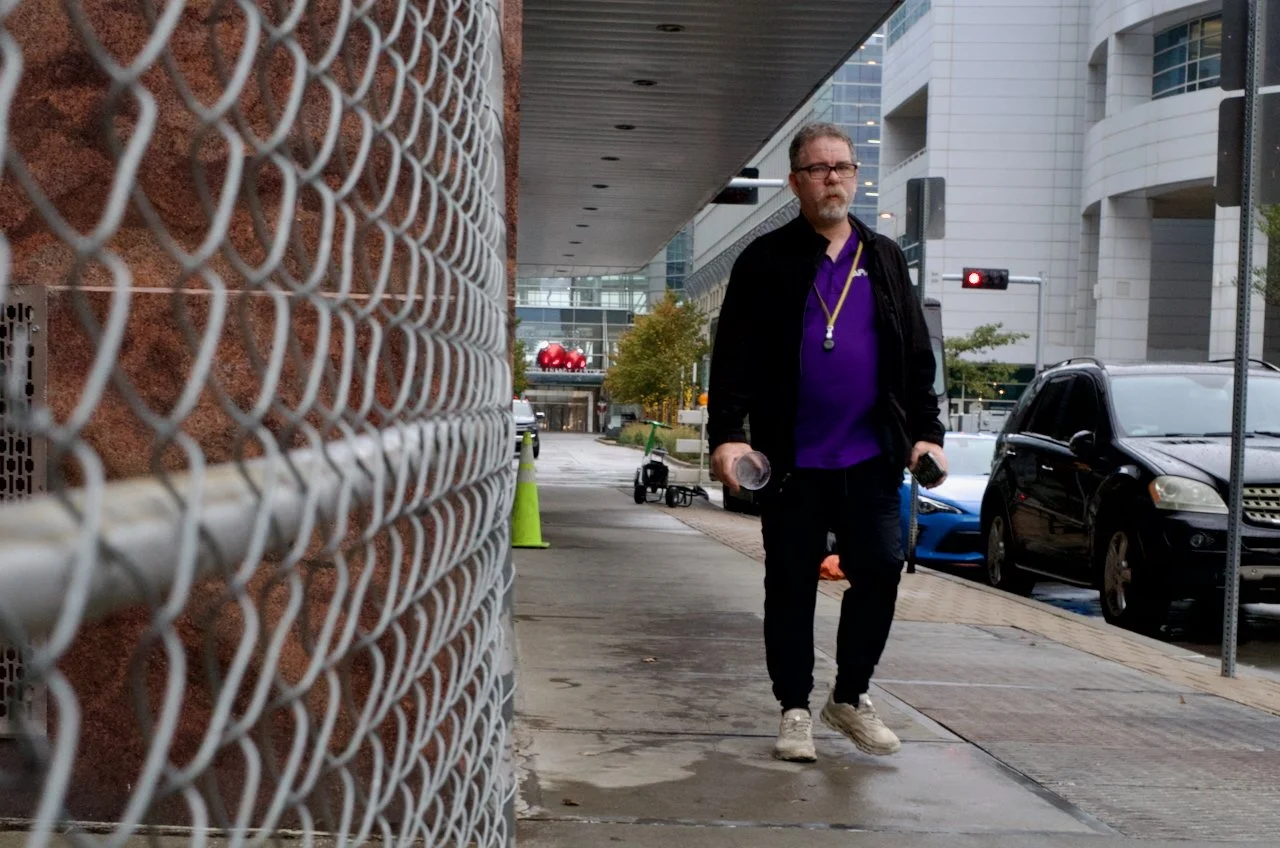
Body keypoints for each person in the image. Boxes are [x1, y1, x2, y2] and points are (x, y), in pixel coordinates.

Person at [707, 122, 948, 762]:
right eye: (818, 169)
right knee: (789, 585)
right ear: (795, 182)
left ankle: (849, 697)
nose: (832, 178)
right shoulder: (764, 259)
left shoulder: (885, 256)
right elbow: (731, 358)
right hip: (792, 463)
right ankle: (793, 709)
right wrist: (727, 437)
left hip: (870, 456)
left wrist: (927, 434)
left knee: (881, 574)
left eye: (842, 167)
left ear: (856, 176)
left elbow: (914, 358)